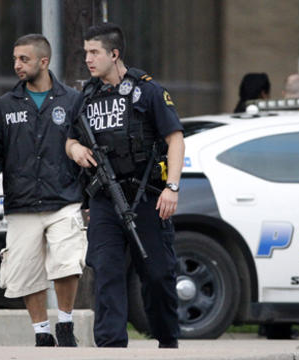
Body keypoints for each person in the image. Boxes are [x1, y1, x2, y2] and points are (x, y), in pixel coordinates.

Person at [65, 23, 184, 348]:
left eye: (94, 52)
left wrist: (172, 187)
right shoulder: (86, 96)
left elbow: (175, 139)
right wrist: (75, 149)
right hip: (104, 199)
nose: (88, 58)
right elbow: (70, 139)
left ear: (114, 54)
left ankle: (167, 340)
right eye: (86, 51)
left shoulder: (148, 91)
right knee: (106, 271)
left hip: (147, 196)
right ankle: (111, 347)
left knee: (157, 275)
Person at [0, 34, 86, 347]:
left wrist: (88, 197)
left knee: (66, 262)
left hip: (64, 199)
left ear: (43, 61)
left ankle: (65, 325)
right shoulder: (6, 105)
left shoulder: (71, 101)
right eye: (15, 59)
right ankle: (41, 333)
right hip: (21, 202)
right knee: (25, 272)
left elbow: (87, 147)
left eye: (23, 59)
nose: (17, 65)